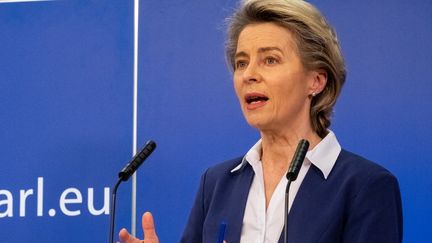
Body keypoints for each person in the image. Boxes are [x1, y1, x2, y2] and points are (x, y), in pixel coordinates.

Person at [119, 0, 403, 242]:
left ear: (315, 80)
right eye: (241, 63)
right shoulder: (216, 183)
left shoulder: (366, 186)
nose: (248, 75)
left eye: (270, 60)